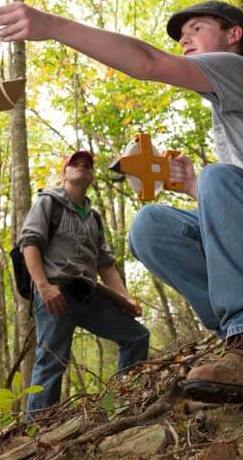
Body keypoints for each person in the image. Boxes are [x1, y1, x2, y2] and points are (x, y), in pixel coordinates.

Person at [0, 0, 243, 404]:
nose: (184, 39)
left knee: (218, 177)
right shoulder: (233, 113)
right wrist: (195, 188)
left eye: (197, 28)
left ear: (233, 35)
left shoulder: (240, 69)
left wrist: (49, 24)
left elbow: (148, 63)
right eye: (181, 35)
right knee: (150, 226)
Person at [19, 150, 149, 414]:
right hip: (56, 293)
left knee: (137, 336)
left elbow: (105, 264)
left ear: (91, 177)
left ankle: (116, 406)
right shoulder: (48, 202)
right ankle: (36, 434)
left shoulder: (94, 218)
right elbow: (29, 243)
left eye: (87, 165)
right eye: (75, 163)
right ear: (64, 173)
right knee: (52, 361)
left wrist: (126, 299)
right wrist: (43, 287)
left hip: (89, 296)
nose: (82, 166)